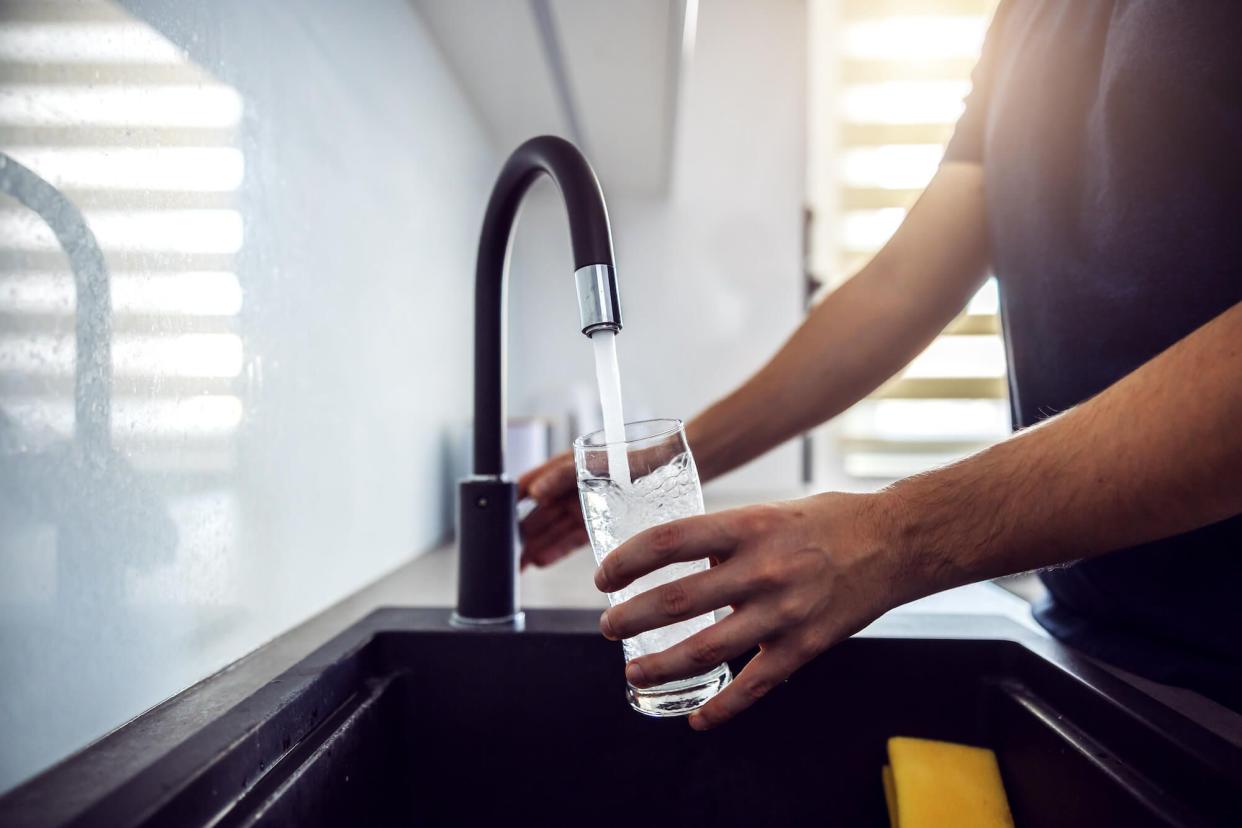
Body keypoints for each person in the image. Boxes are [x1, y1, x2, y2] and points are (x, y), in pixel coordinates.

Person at [517, 1, 1242, 731]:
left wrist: (891, 536)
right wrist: (661, 471)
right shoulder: (1027, 17)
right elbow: (900, 289)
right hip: (1093, 638)